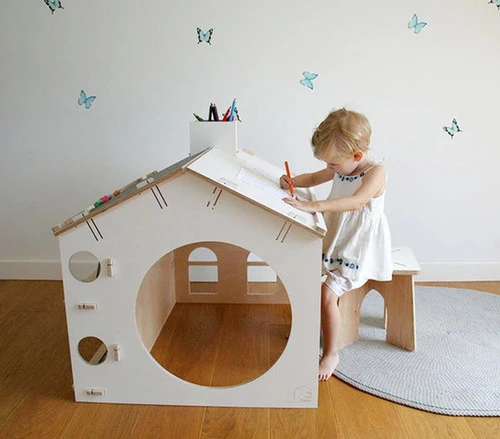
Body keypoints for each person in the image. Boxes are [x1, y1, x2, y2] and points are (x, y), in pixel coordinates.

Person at [280, 108, 392, 381]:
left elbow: (357, 201)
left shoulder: (375, 172)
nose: (330, 169)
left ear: (357, 156)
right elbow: (313, 178)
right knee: (310, 279)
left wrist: (315, 205)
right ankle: (311, 329)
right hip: (336, 239)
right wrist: (292, 181)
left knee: (327, 294)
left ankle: (331, 353)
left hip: (356, 247)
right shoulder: (342, 165)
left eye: (333, 164)